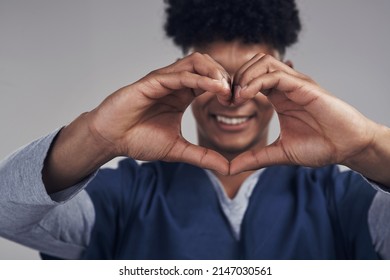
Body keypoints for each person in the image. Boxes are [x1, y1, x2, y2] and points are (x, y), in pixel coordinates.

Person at [1, 0, 390, 259]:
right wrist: (97, 135)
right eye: (217, 77)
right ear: (184, 74)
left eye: (258, 76)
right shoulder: (125, 196)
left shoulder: (341, 199)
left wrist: (369, 145)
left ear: (289, 77)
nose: (234, 98)